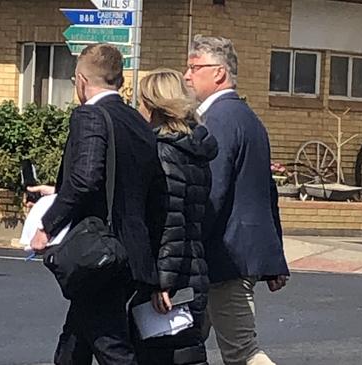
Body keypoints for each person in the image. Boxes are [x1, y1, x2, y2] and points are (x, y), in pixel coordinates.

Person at [29, 43, 164, 365]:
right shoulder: (137, 122)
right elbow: (153, 190)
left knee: (111, 347)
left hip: (100, 254)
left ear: (80, 79)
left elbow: (86, 178)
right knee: (74, 343)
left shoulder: (90, 114)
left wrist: (46, 226)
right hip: (131, 251)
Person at [183, 35, 290, 365]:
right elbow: (265, 193)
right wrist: (275, 258)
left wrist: (185, 243)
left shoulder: (218, 119)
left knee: (242, 351)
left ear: (218, 73)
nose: (186, 75)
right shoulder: (247, 117)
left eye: (194, 67)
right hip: (236, 253)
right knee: (181, 343)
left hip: (225, 256)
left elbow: (210, 190)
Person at [131, 69, 218, 365]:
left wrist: (161, 283)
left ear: (154, 106)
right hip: (194, 269)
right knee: (185, 352)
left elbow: (171, 222)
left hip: (171, 280)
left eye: (141, 101)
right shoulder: (195, 151)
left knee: (161, 354)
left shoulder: (162, 152)